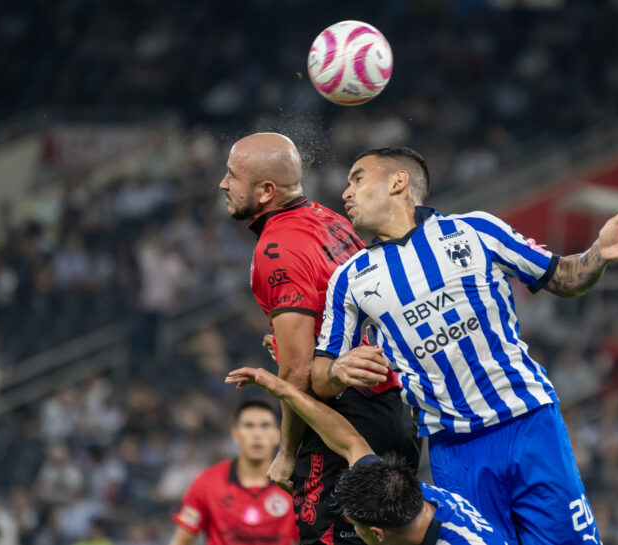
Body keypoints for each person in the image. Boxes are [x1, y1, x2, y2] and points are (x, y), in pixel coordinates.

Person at [249, 145, 618, 545]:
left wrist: (599, 254)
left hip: (528, 421)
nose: (346, 193)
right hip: (453, 448)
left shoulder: (476, 230)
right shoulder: (350, 278)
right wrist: (337, 371)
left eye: (358, 179)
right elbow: (318, 375)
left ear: (398, 182)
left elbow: (562, 276)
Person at [219, 133, 419, 545]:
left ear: (265, 191)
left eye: (232, 175)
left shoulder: (276, 249)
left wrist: (287, 453)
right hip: (391, 411)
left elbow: (297, 371)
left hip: (344, 419)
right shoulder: (330, 219)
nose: (223, 184)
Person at [226, 367, 507, 545]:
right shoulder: (400, 492)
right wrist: (284, 388)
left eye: (357, 528)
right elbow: (349, 441)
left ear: (376, 534)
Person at [169, 399, 297, 545]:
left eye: (265, 426)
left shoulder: (293, 486)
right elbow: (180, 541)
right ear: (235, 435)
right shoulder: (206, 483)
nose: (257, 434)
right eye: (249, 426)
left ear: (277, 435)